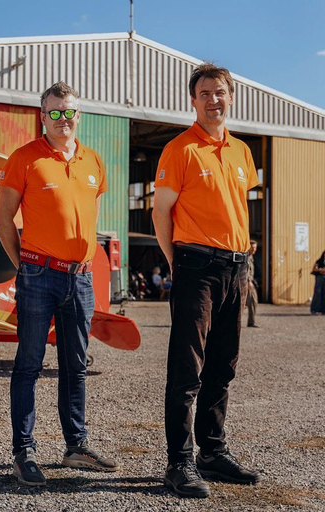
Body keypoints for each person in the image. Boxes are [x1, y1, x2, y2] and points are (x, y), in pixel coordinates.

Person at [0, 81, 118, 487]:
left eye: (69, 112)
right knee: (29, 365)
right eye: (55, 112)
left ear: (78, 115)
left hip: (80, 279)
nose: (63, 119)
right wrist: (27, 265)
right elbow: (2, 220)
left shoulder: (93, 162)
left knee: (75, 366)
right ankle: (24, 450)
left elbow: (91, 221)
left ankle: (76, 445)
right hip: (38, 275)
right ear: (42, 116)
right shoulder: (25, 159)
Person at [153, 63, 261, 499]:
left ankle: (212, 453)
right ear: (192, 100)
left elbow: (239, 207)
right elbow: (161, 213)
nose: (213, 99)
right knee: (187, 367)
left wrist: (245, 259)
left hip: (237, 267)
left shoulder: (241, 151)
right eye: (204, 93)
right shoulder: (180, 149)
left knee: (224, 365)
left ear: (230, 97)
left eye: (220, 92)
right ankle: (179, 462)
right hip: (196, 265)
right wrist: (177, 261)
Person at [246, 240, 259, 327]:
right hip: (247, 283)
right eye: (252, 247)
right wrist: (248, 281)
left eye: (255, 248)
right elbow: (244, 271)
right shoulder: (246, 258)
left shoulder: (251, 258)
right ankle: (251, 322)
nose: (254, 249)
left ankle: (251, 321)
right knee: (251, 302)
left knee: (252, 302)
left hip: (250, 283)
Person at [311, 250, 325, 315]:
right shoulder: (319, 262)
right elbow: (314, 269)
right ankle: (315, 309)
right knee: (318, 294)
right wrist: (320, 270)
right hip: (320, 279)